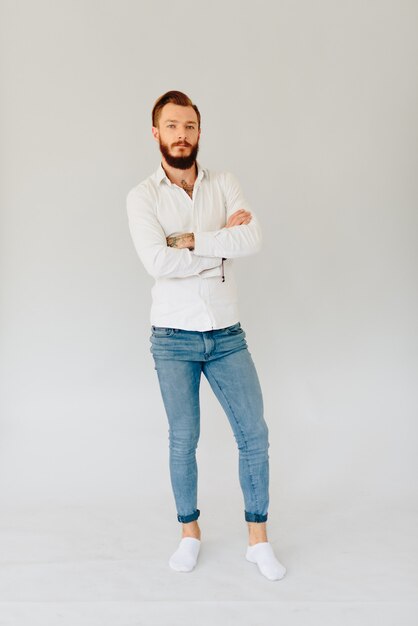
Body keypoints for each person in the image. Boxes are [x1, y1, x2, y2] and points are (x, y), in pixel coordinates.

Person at [126, 90, 286, 581]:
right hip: (172, 337)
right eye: (172, 126)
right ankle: (189, 532)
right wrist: (220, 244)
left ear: (199, 131)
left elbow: (253, 238)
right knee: (183, 439)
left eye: (189, 126)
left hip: (226, 334)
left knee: (253, 435)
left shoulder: (225, 183)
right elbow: (157, 261)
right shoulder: (142, 196)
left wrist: (192, 239)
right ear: (156, 133)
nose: (181, 135)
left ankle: (258, 540)